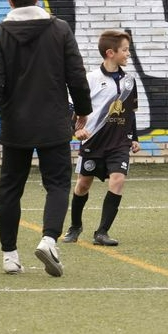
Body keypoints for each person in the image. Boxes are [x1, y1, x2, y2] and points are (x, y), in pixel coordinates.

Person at [0, 0, 91, 276]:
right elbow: (76, 74)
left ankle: (10, 256)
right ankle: (49, 240)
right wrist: (83, 110)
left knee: (10, 189)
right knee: (57, 184)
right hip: (53, 121)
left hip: (16, 123)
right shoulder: (60, 29)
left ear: (10, 1)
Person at [62, 30, 140, 247]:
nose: (128, 54)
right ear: (110, 53)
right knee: (83, 185)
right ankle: (75, 226)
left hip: (119, 142)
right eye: (124, 50)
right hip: (93, 142)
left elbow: (131, 112)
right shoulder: (90, 79)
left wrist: (134, 137)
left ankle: (102, 232)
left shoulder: (130, 81)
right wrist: (76, 130)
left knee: (118, 180)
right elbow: (71, 108)